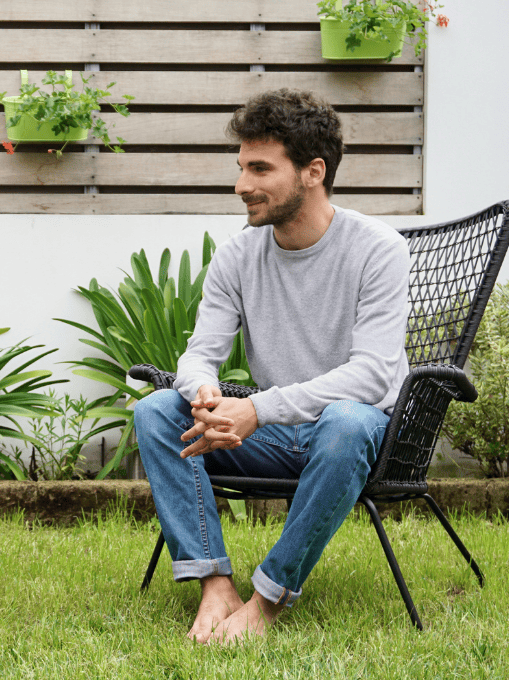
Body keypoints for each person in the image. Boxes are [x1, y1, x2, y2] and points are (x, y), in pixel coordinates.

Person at [134, 89, 410, 644]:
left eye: (260, 168)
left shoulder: (379, 249)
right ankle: (214, 585)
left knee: (347, 422)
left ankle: (267, 600)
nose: (241, 186)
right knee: (156, 409)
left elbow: (374, 375)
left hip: (359, 437)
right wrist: (203, 392)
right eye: (241, 168)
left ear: (313, 171)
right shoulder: (239, 253)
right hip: (280, 435)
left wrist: (258, 408)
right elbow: (199, 351)